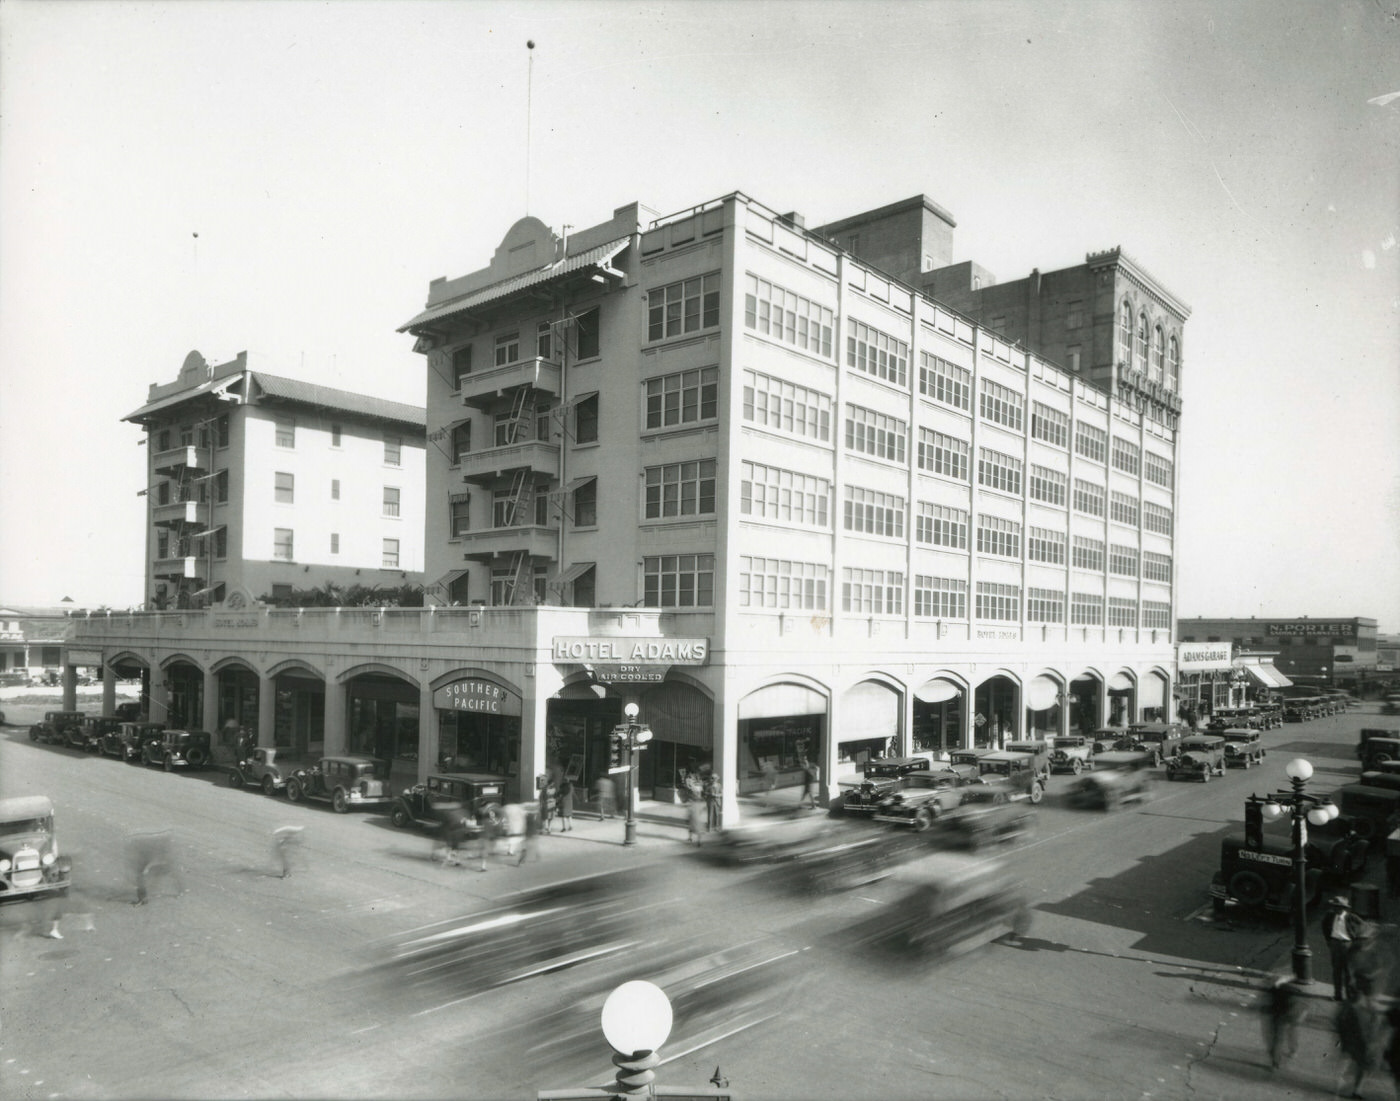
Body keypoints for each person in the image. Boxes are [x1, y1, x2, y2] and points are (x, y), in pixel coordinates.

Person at [1337, 993, 1382, 1098]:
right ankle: (1354, 1089)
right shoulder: (1357, 1009)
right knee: (1360, 1066)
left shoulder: (1366, 1010)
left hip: (1362, 1043)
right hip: (1360, 1042)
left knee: (1360, 1066)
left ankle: (1355, 1090)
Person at [1325, 894, 1367, 1001]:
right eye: (1334, 906)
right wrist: (1328, 940)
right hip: (1335, 945)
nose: (1335, 908)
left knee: (1348, 972)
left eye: (1337, 906)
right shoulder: (1330, 915)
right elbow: (1324, 925)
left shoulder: (1351, 917)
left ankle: (1349, 997)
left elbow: (1365, 926)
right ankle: (1337, 995)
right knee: (1336, 971)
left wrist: (1357, 941)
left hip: (1348, 945)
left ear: (1343, 908)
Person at [1262, 974, 1307, 1069]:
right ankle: (1293, 1050)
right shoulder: (1293, 989)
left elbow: (1269, 1005)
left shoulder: (1274, 989)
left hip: (1284, 1013)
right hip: (1296, 1011)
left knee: (1278, 1037)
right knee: (1292, 1030)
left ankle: (1276, 1061)